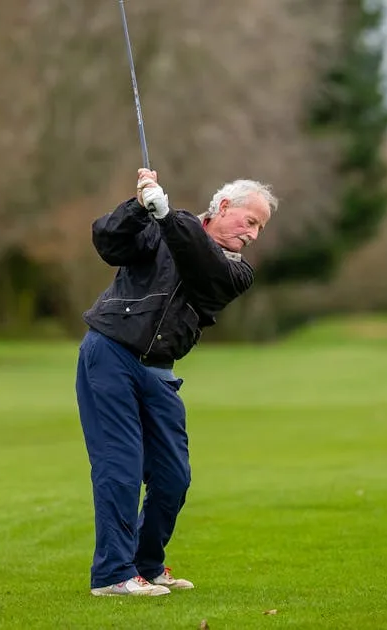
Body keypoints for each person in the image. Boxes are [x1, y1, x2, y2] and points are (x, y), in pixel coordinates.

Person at [75, 168, 277, 596]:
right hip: (110, 352)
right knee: (121, 465)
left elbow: (201, 266)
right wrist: (138, 207)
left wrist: (167, 216)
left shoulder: (236, 272)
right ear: (223, 208)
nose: (254, 235)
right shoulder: (161, 224)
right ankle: (112, 574)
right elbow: (108, 242)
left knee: (173, 477)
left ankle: (146, 565)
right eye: (251, 221)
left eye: (260, 227)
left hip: (159, 370)